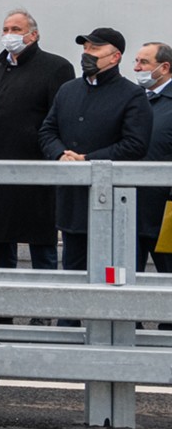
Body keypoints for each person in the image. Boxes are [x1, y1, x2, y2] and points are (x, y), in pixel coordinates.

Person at [0, 11, 75, 305]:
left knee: (40, 242)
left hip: (36, 171)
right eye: (5, 28)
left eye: (16, 28)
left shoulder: (55, 67)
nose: (9, 34)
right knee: (0, 243)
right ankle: (1, 308)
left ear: (33, 34)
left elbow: (60, 119)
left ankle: (43, 307)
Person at [39, 26, 152, 276]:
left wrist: (88, 160)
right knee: (73, 270)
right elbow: (47, 131)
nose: (87, 54)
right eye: (85, 48)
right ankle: (70, 317)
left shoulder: (132, 95)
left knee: (112, 273)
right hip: (72, 200)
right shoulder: (68, 90)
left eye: (95, 48)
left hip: (112, 204)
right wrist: (60, 154)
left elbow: (135, 145)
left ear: (115, 57)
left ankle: (118, 315)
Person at [131, 42, 172, 279]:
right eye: (136, 61)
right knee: (125, 280)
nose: (137, 68)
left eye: (144, 62)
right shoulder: (134, 100)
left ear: (164, 67)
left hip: (165, 212)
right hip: (131, 207)